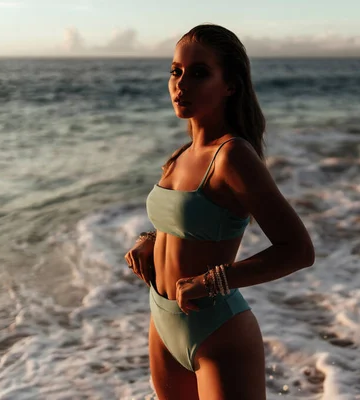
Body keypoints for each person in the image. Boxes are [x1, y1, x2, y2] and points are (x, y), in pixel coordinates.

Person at [124, 24, 315, 400]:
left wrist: (213, 282)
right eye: (176, 71)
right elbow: (184, 222)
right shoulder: (179, 157)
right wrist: (149, 241)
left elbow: (298, 250)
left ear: (230, 85)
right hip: (162, 320)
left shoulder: (233, 156)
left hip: (218, 332)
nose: (181, 84)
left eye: (199, 73)